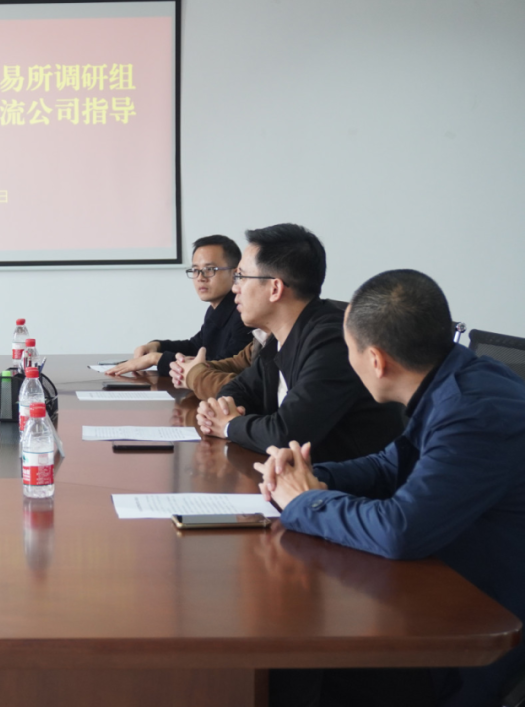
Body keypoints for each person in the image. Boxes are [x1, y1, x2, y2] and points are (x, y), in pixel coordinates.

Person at [256, 269, 525, 707]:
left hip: (476, 630)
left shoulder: (473, 414)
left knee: (297, 664)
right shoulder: (454, 379)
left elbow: (401, 530)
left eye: (348, 350)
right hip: (442, 585)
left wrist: (306, 500)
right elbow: (389, 465)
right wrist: (311, 473)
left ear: (376, 361)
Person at [196, 223, 403, 462]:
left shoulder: (334, 343)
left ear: (275, 288)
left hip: (348, 482)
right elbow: (239, 389)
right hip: (302, 476)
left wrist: (229, 425)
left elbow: (286, 436)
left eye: (241, 276)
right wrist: (220, 409)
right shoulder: (279, 338)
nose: (235, 288)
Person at [106, 235, 252, 376]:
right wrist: (157, 346)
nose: (200, 278)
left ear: (235, 274)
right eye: (195, 270)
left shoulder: (245, 314)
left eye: (209, 269)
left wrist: (156, 359)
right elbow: (195, 347)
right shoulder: (217, 309)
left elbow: (221, 366)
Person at [169, 329, 268, 400]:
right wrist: (192, 367)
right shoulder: (262, 337)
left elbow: (256, 393)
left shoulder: (241, 323)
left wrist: (195, 374)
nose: (236, 300)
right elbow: (238, 363)